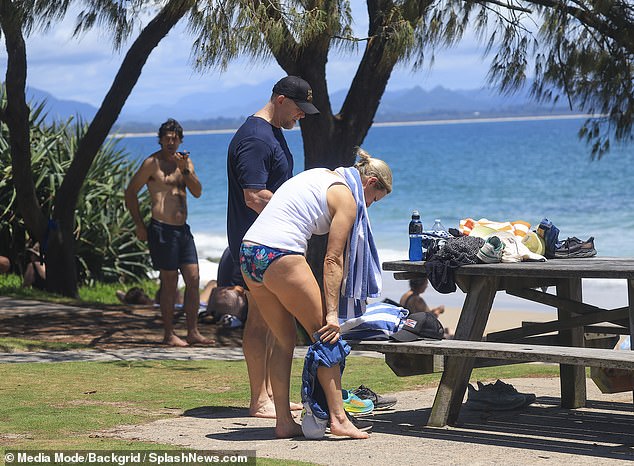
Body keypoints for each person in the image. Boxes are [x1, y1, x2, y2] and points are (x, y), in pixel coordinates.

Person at [240, 148, 392, 439]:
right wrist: (332, 314)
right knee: (326, 335)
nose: (369, 207)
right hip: (279, 253)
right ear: (370, 183)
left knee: (284, 341)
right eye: (374, 200)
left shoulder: (322, 175)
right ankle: (339, 419)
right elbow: (333, 260)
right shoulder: (347, 198)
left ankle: (284, 422)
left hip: (249, 253)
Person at [226, 76, 319, 418]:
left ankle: (268, 393)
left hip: (271, 242)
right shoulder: (255, 137)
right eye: (298, 108)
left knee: (270, 318)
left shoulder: (272, 132)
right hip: (257, 243)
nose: (301, 116)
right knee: (259, 319)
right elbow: (254, 196)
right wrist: (298, 212)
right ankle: (259, 399)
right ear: (280, 100)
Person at [125, 118, 213, 347]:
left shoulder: (185, 162)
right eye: (167, 138)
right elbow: (130, 192)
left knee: (193, 279)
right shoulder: (151, 164)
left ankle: (193, 331)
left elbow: (197, 192)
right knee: (170, 281)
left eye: (175, 138)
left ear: (180, 140)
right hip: (161, 229)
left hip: (183, 230)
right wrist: (139, 225)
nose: (171, 142)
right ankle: (169, 334)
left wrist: (186, 171)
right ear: (161, 140)